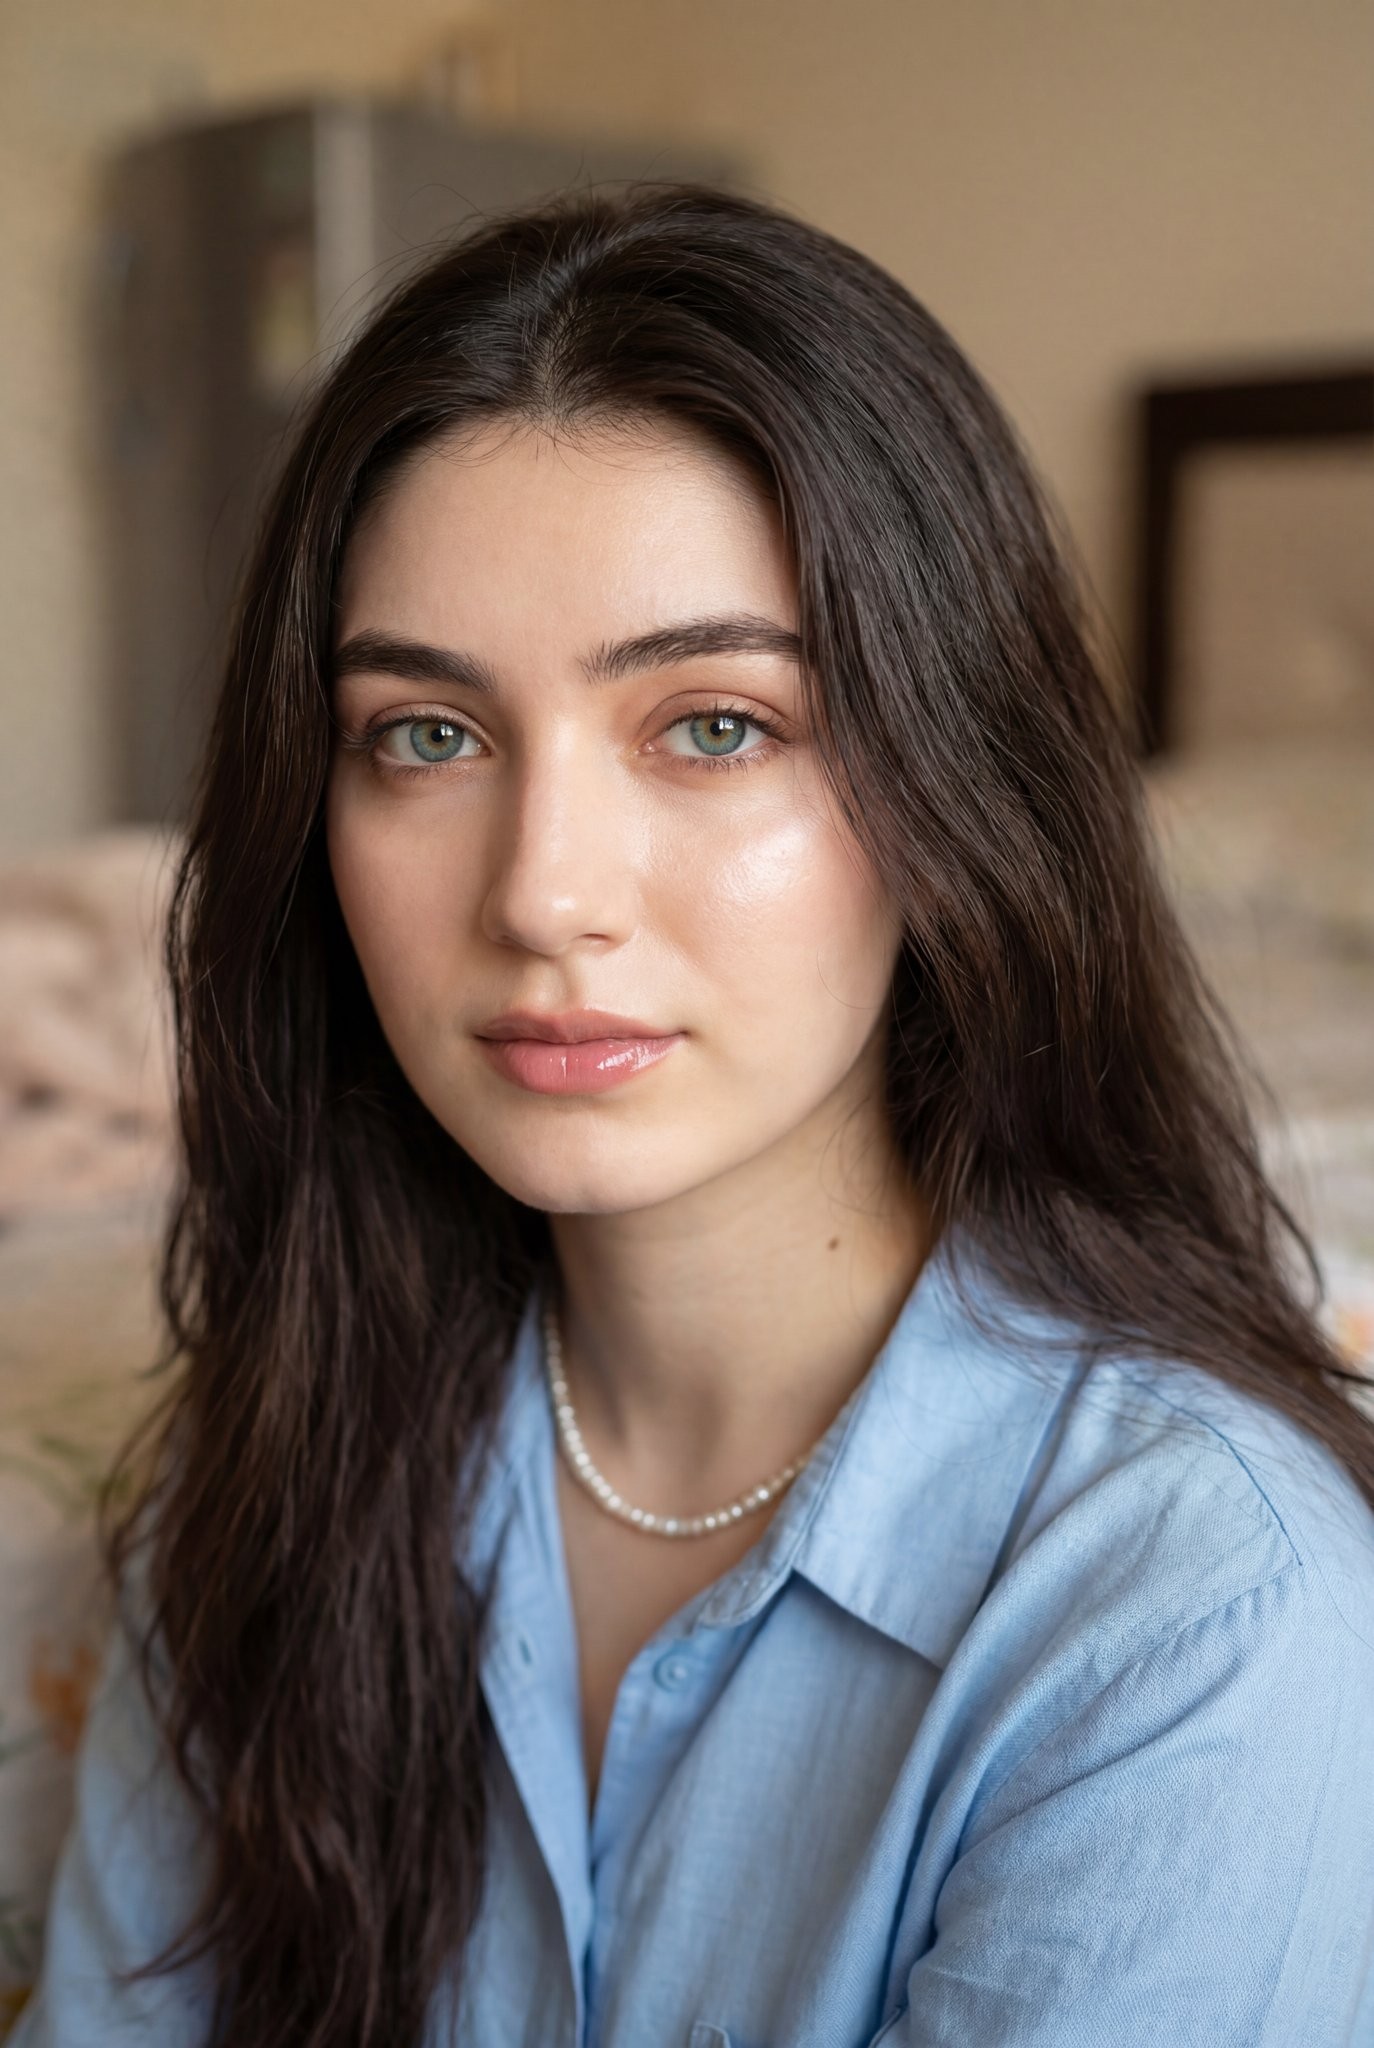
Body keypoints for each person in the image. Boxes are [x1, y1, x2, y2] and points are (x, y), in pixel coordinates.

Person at [14, 181, 1374, 2048]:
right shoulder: (261, 1481)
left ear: (953, 782)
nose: (542, 893)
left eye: (713, 725)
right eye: (426, 734)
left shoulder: (1199, 1613)